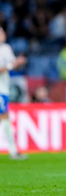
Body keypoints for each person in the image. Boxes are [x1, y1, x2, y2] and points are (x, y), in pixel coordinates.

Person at [0, 26, 28, 160]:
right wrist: (12, 65)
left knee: (5, 119)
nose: (3, 34)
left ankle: (13, 151)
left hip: (3, 90)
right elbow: (7, 67)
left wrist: (19, 63)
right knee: (5, 119)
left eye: (3, 31)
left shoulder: (6, 48)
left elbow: (13, 66)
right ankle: (13, 152)